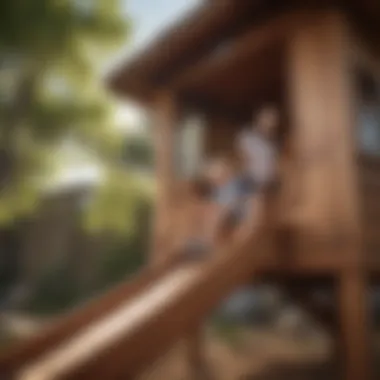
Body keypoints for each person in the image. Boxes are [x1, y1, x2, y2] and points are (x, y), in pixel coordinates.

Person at [237, 105, 280, 193]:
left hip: (269, 182)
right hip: (252, 180)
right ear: (259, 119)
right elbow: (242, 158)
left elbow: (273, 162)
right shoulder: (247, 136)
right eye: (267, 119)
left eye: (273, 121)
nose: (270, 123)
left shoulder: (272, 142)